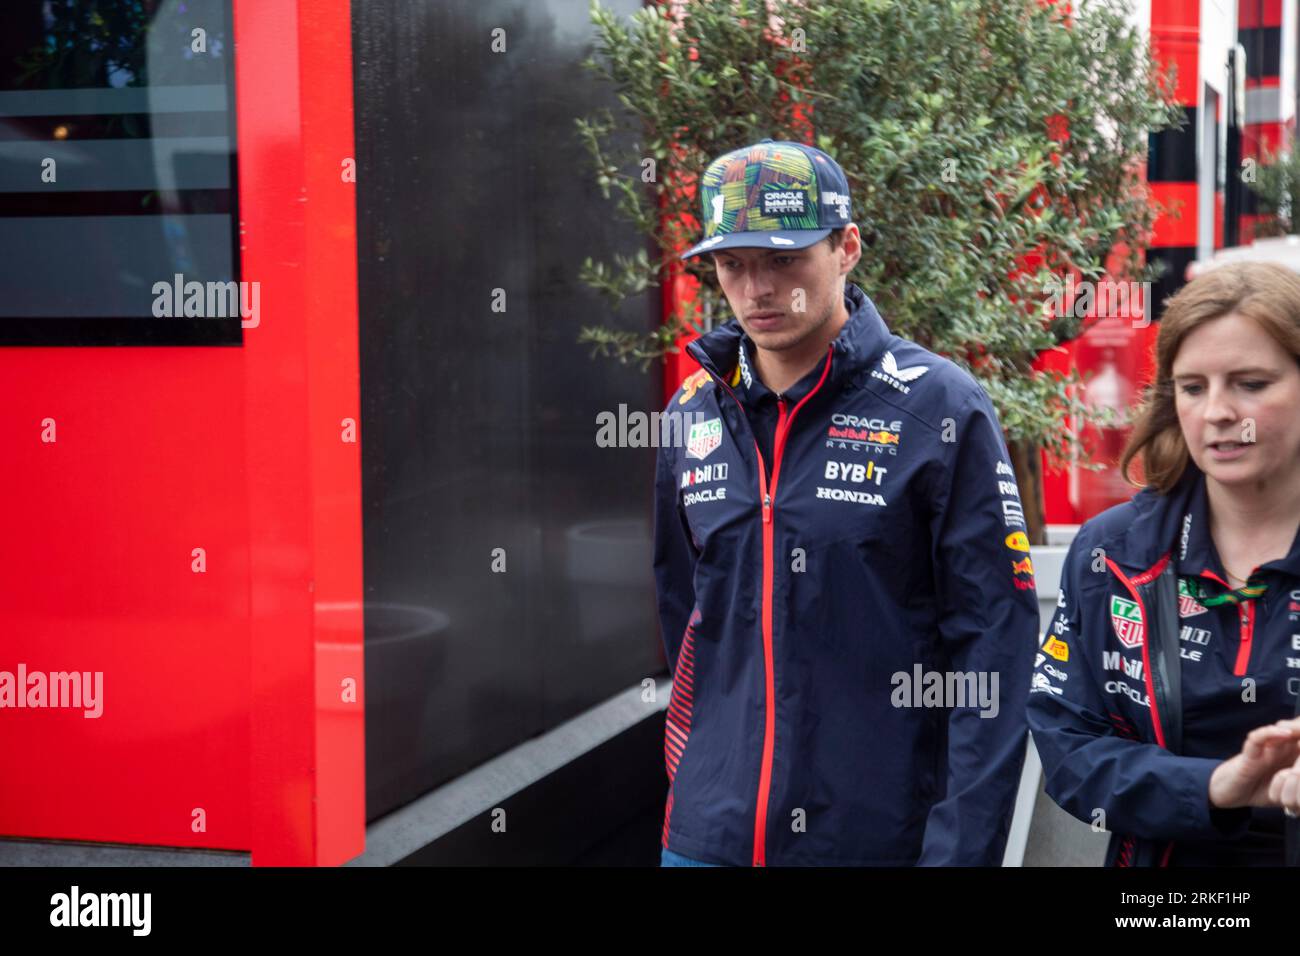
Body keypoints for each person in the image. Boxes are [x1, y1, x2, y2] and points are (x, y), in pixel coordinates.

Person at [653, 139, 1041, 866]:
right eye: (732, 264)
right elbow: (684, 618)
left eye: (783, 259)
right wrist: (695, 785)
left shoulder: (939, 408)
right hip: (708, 838)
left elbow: (994, 651)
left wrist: (960, 851)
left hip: (873, 839)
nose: (756, 289)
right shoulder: (693, 411)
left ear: (847, 247)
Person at [1027, 261, 1300, 866]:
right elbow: (1069, 749)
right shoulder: (1113, 553)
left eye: (1251, 383)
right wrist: (1210, 787)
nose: (1218, 412)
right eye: (1193, 387)